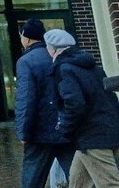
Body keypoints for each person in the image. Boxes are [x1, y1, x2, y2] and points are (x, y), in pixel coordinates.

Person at [47, 28, 119, 187]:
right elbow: (109, 97)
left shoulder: (64, 69)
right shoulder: (93, 67)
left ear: (53, 50)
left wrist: (64, 128)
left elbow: (75, 104)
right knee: (77, 183)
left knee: (110, 184)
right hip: (106, 129)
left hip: (92, 135)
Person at [15, 19, 74, 188]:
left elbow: (26, 99)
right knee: (78, 176)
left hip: (40, 132)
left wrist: (23, 132)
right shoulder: (59, 56)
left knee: (32, 180)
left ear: (26, 38)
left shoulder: (26, 61)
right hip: (65, 127)